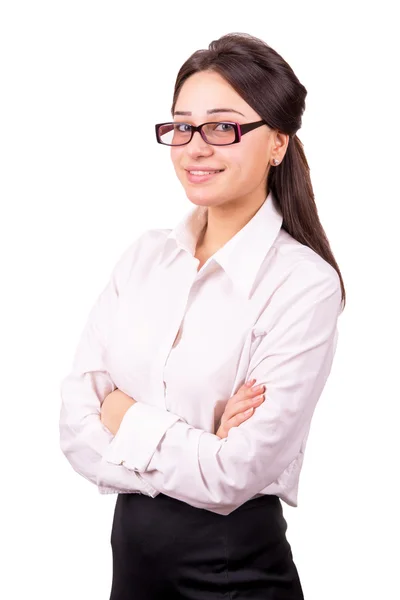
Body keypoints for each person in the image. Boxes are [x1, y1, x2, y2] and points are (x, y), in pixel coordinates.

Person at [59, 31, 346, 599]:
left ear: (277, 143)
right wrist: (199, 438)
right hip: (132, 575)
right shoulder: (145, 258)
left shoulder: (303, 284)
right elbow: (73, 426)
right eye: (181, 125)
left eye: (222, 126)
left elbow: (232, 476)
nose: (194, 146)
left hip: (235, 578)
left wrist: (123, 412)